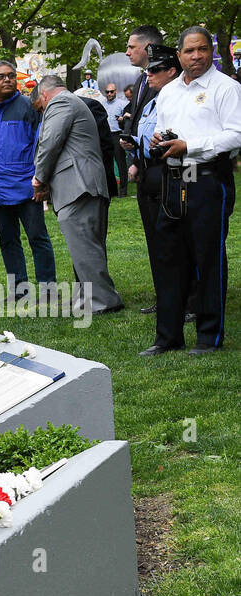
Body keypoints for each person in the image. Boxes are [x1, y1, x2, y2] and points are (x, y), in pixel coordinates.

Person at [142, 26, 241, 357]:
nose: (196, 56)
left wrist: (192, 146)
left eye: (202, 50)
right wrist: (159, 139)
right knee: (169, 256)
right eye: (189, 51)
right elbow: (161, 129)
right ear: (179, 54)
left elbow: (236, 135)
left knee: (208, 257)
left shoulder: (225, 88)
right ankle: (167, 337)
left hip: (209, 179)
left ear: (210, 51)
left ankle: (209, 336)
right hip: (173, 179)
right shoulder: (169, 92)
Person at [30, 76, 123, 316]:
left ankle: (104, 300)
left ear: (43, 96)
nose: (42, 113)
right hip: (84, 184)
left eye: (40, 109)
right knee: (87, 244)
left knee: (85, 246)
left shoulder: (59, 103)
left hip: (78, 185)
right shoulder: (71, 101)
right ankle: (89, 297)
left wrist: (39, 178)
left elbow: (50, 143)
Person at [0, 60, 56, 299]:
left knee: (38, 238)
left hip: (27, 187)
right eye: (1, 76)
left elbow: (41, 146)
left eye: (11, 76)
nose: (7, 79)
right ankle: (19, 289)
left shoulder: (28, 108)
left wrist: (42, 180)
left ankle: (48, 288)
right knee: (8, 241)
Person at [124, 44, 177, 316]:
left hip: (169, 172)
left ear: (171, 71)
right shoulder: (152, 97)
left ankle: (186, 300)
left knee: (173, 243)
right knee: (156, 241)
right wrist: (133, 149)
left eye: (155, 70)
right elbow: (141, 131)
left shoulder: (176, 98)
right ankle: (165, 297)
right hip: (147, 172)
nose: (149, 75)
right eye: (148, 71)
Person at [101, 81, 130, 195]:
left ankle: (123, 191)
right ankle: (111, 190)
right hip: (106, 135)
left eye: (111, 92)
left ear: (115, 92)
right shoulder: (102, 104)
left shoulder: (122, 104)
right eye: (107, 92)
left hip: (117, 134)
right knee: (107, 163)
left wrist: (123, 119)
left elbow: (130, 118)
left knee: (121, 162)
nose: (109, 94)